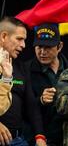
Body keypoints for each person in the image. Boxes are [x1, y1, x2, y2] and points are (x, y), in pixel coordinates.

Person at [0, 17, 46, 146]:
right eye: (19, 39)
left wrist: (40, 136)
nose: (23, 45)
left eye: (24, 40)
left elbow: (31, 104)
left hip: (17, 140)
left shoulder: (20, 67)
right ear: (4, 36)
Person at [24, 23, 68, 146]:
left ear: (59, 46)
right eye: (39, 47)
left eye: (48, 47)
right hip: (36, 139)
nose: (42, 52)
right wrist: (40, 100)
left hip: (66, 138)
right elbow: (21, 106)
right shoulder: (25, 69)